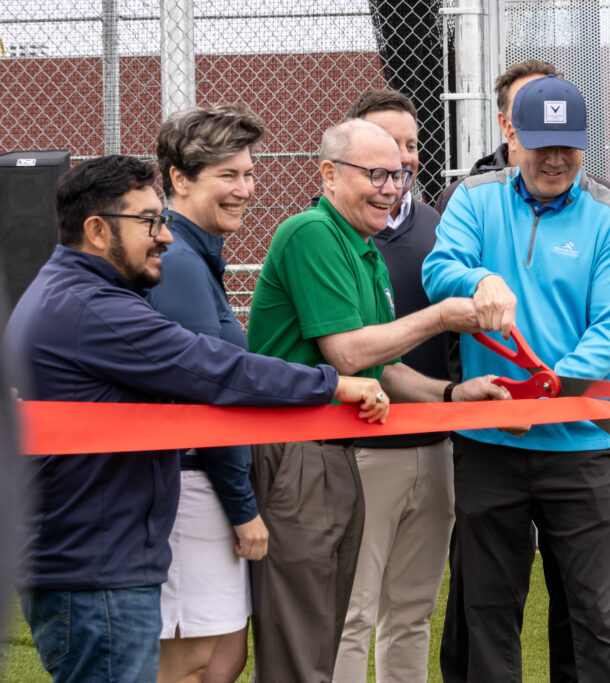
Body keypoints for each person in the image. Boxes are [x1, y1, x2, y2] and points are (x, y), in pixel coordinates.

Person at [3, 154, 389, 683]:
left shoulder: (78, 295)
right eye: (147, 222)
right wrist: (333, 383)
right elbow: (214, 368)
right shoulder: (93, 308)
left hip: (94, 561)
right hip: (95, 573)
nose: (163, 237)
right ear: (96, 230)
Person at [246, 118, 509, 683]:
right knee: (325, 623)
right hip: (299, 452)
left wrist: (449, 394)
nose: (392, 188)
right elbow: (346, 353)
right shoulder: (311, 232)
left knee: (367, 614)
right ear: (328, 174)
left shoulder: (361, 247)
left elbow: (380, 367)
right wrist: (441, 315)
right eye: (377, 174)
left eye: (400, 174)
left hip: (334, 451)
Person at [434, 59, 610, 682]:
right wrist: (478, 279)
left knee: (594, 610)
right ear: (512, 137)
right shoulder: (472, 201)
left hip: (579, 444)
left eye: (568, 147)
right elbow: (440, 269)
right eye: (540, 146)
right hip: (487, 441)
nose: (555, 160)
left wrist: (548, 394)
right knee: (485, 609)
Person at [327, 90, 455, 683]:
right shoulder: (325, 236)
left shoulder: (439, 225)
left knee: (412, 610)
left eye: (407, 151)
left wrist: (454, 400)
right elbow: (354, 355)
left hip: (434, 445)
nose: (396, 169)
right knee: (353, 612)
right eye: (380, 155)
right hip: (362, 448)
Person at [145, 103, 266, 683]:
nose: (244, 189)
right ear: (179, 179)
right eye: (227, 175)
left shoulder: (197, 256)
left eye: (247, 173)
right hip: (189, 484)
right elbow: (206, 392)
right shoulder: (180, 261)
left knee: (222, 658)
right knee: (193, 662)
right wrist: (244, 511)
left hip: (206, 483)